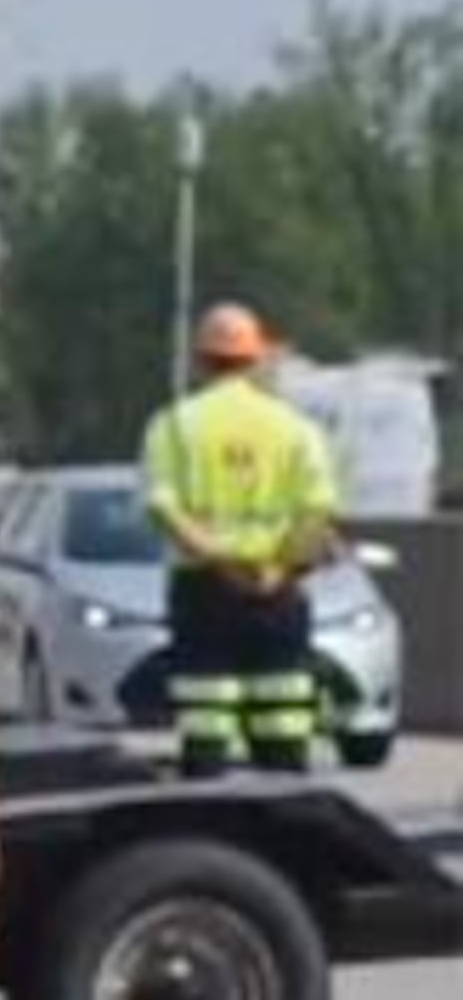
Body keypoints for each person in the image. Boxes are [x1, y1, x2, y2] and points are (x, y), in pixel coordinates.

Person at [139, 302, 344, 777]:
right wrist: (279, 570)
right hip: (279, 594)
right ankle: (286, 819)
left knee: (207, 730)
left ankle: (212, 813)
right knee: (283, 731)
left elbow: (163, 507)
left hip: (205, 592)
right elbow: (317, 511)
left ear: (199, 361)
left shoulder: (174, 426)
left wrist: (220, 562)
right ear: (256, 359)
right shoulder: (296, 429)